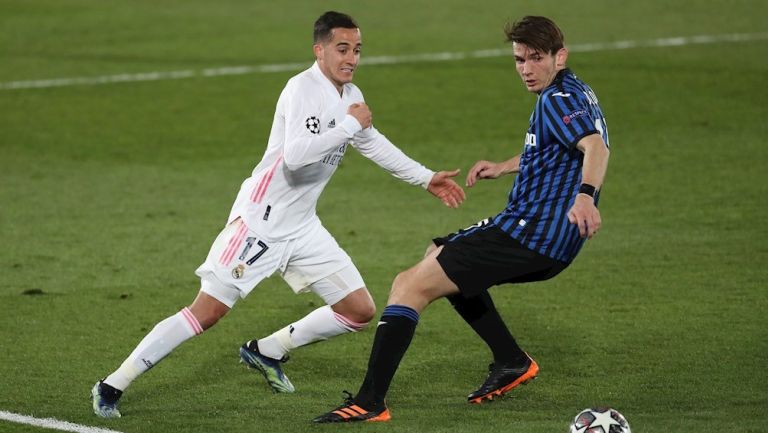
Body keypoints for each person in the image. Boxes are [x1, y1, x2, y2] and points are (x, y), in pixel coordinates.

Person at [90, 11, 465, 418]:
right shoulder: (302, 89)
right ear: (319, 50)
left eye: (357, 50)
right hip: (260, 225)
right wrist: (347, 126)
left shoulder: (350, 96)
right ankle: (112, 384)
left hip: (303, 227)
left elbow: (372, 143)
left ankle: (266, 351)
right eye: (342, 49)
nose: (352, 58)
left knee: (358, 309)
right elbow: (296, 157)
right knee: (207, 312)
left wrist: (426, 178)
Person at [312, 15, 611, 423]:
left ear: (561, 56)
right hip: (531, 228)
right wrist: (504, 166)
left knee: (409, 284)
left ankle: (369, 402)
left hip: (534, 234)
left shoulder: (557, 99)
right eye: (519, 59)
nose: (525, 69)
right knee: (439, 252)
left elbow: (595, 148)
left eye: (535, 59)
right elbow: (555, 149)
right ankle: (510, 360)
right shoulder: (573, 91)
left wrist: (586, 197)